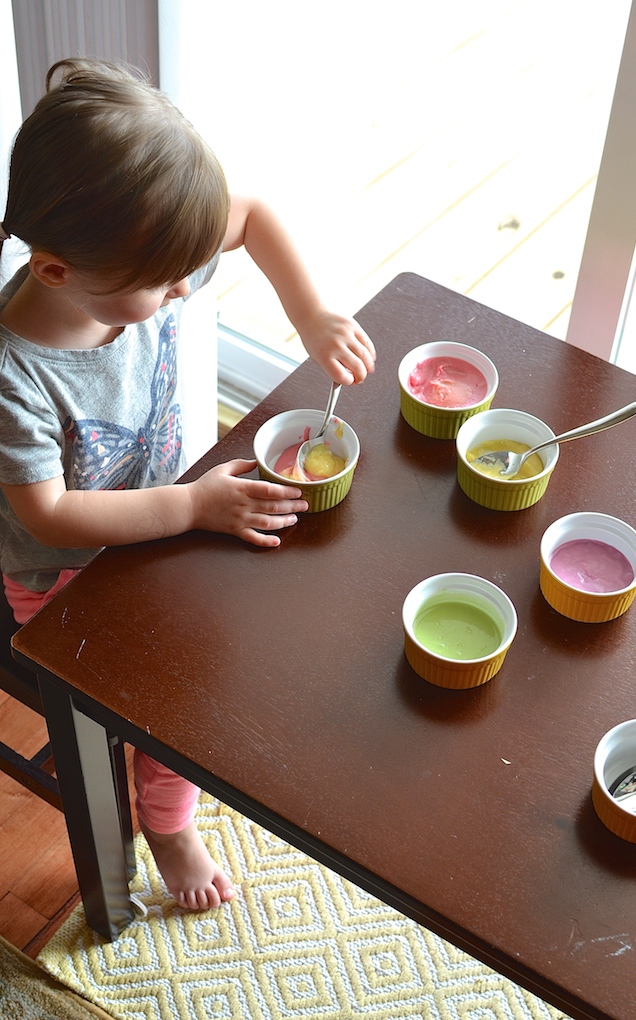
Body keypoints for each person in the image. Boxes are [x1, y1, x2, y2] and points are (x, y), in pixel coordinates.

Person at [0, 58, 375, 911]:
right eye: (167, 284)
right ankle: (167, 824)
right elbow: (49, 515)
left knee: (259, 617)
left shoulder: (134, 259)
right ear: (56, 271)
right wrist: (194, 507)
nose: (184, 290)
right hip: (63, 577)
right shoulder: (15, 374)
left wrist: (311, 314)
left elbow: (251, 216)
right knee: (177, 694)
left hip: (168, 508)